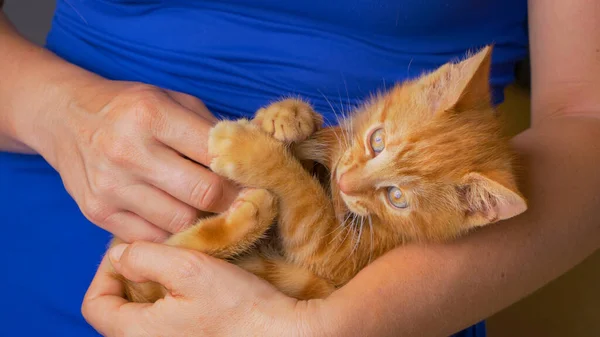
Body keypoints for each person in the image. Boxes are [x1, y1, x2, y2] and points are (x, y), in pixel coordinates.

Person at [0, 0, 598, 336]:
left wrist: (334, 326)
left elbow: (587, 112)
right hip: (48, 197)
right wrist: (55, 108)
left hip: (384, 293)